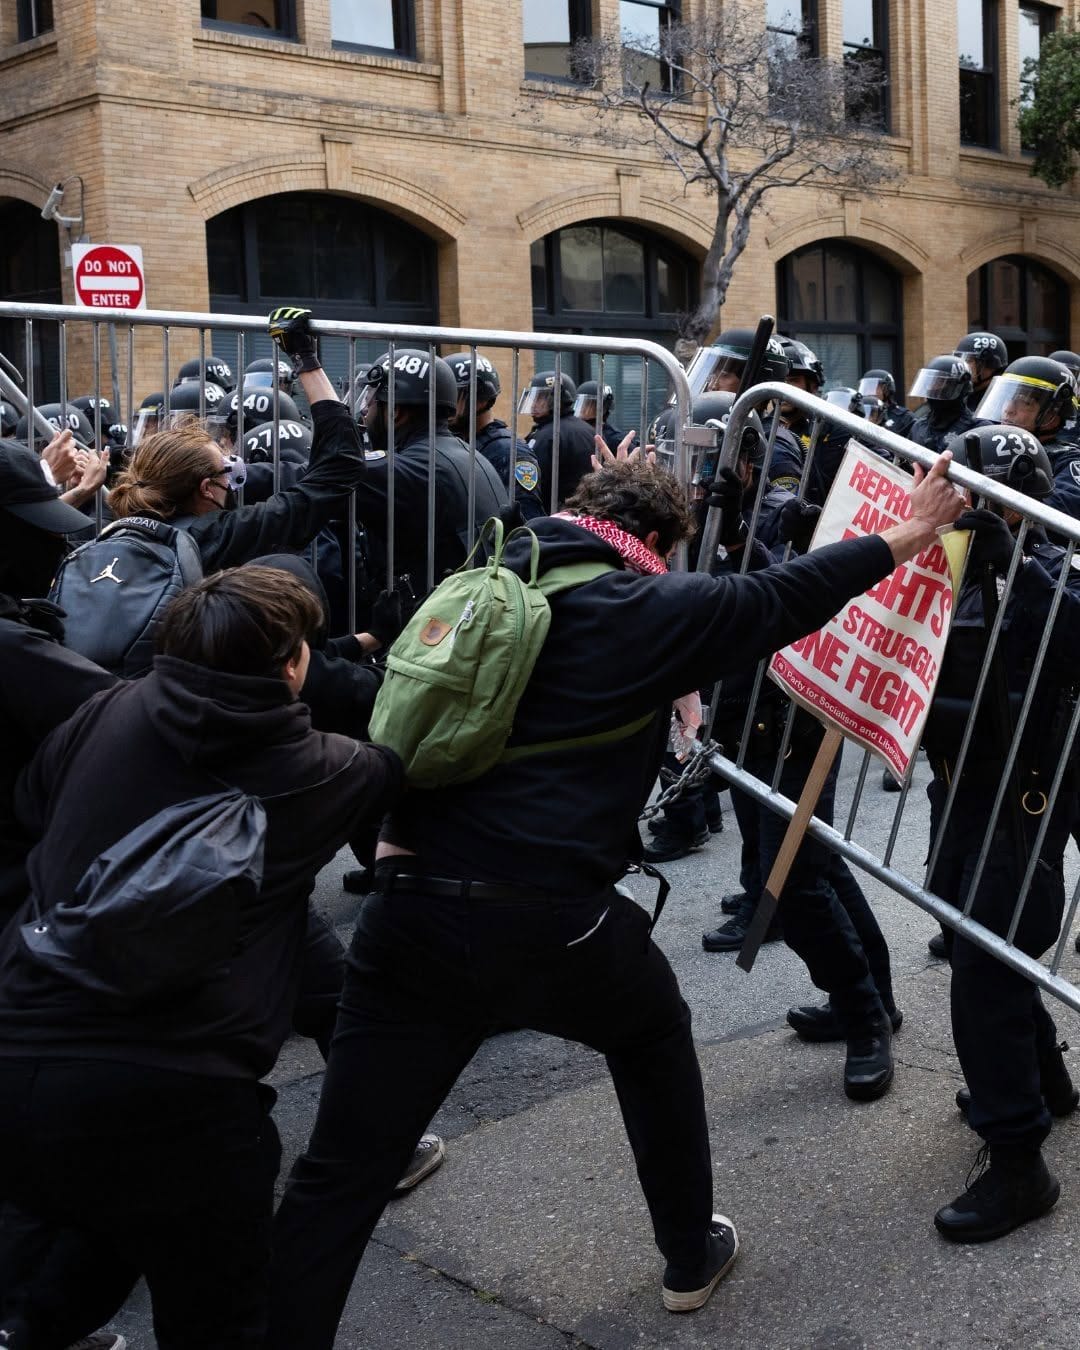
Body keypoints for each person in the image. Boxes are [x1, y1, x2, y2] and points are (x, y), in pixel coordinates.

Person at [265, 444, 964, 1346]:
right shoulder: (638, 605)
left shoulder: (484, 579)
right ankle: (688, 1253)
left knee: (339, 1170)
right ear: (655, 543)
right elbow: (778, 596)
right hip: (553, 919)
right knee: (652, 1039)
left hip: (410, 911)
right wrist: (908, 534)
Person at [0, 567, 403, 1347]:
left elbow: (31, 809)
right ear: (293, 664)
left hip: (19, 1052)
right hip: (180, 1095)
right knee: (217, 1315)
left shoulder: (102, 712)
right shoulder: (324, 770)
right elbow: (398, 765)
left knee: (82, 1248)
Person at [920, 424, 1080, 1242]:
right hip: (963, 798)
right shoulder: (939, 564)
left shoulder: (1049, 572)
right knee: (968, 933)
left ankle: (1019, 1162)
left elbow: (1057, 643)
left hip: (1019, 806)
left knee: (985, 971)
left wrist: (1010, 570)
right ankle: (1044, 1080)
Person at [348, 342, 508, 599]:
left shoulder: (416, 467)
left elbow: (330, 471)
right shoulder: (466, 452)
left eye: (372, 403)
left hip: (438, 627)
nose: (364, 413)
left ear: (394, 411)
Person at [972, 355, 1080, 524]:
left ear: (1052, 413)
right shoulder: (987, 444)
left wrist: (1004, 510)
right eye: (1007, 398)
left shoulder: (1068, 460)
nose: (1008, 409)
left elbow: (1064, 508)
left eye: (1024, 402)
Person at [445, 350, 544, 519]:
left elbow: (527, 520)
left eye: (454, 396)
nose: (445, 404)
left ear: (481, 399)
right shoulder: (461, 442)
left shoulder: (508, 452)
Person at [518, 369, 596, 508]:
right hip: (588, 511)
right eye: (533, 397)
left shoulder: (547, 435)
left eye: (540, 398)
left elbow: (532, 482)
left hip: (555, 513)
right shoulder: (589, 430)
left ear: (559, 398)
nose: (534, 403)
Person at [906, 356, 978, 455]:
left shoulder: (977, 428)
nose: (931, 388)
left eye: (938, 382)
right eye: (930, 382)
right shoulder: (918, 426)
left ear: (957, 387)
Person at [953, 331, 1009, 415]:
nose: (961, 365)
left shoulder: (1004, 403)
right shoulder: (962, 395)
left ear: (990, 364)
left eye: (968, 360)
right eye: (960, 359)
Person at [858, 369, 914, 438]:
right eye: (866, 387)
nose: (869, 392)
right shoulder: (858, 413)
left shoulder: (905, 417)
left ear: (887, 390)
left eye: (874, 387)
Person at [573, 380, 625, 453]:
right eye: (581, 404)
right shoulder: (575, 432)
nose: (583, 410)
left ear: (604, 408)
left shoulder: (615, 439)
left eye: (589, 405)